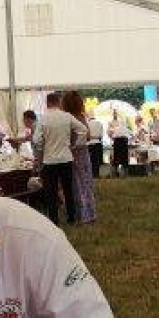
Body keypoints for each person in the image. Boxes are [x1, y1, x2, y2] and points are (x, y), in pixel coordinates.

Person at [34, 92, 78, 225]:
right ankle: (71, 218)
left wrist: (42, 147)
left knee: (51, 192)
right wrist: (74, 145)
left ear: (47, 103)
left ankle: (54, 220)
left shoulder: (43, 119)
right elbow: (82, 130)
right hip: (66, 158)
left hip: (50, 161)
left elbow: (36, 140)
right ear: (58, 102)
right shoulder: (67, 116)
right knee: (68, 189)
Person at [61, 91, 97, 223]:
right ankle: (90, 213)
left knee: (75, 185)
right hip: (83, 153)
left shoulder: (67, 118)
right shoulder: (81, 117)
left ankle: (80, 214)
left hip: (72, 154)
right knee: (86, 184)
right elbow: (88, 135)